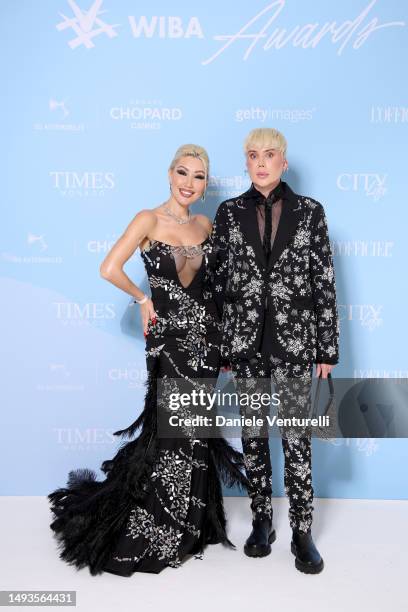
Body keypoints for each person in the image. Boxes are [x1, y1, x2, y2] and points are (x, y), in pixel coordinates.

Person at [48, 144, 247, 577]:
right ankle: (162, 527)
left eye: (198, 177)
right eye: (182, 172)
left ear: (204, 184)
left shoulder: (204, 223)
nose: (189, 183)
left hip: (208, 343)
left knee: (197, 433)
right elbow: (109, 267)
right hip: (170, 341)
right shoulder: (148, 219)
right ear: (169, 174)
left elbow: (213, 289)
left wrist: (227, 344)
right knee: (172, 432)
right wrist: (142, 298)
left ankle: (193, 524)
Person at [210, 128, 339, 574]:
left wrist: (327, 348)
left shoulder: (310, 212)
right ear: (245, 163)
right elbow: (220, 284)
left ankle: (303, 530)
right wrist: (221, 343)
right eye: (252, 155)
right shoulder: (228, 214)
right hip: (245, 342)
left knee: (297, 436)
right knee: (253, 434)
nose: (260, 162)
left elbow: (324, 283)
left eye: (269, 155)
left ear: (283, 162)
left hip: (295, 341)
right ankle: (261, 519)